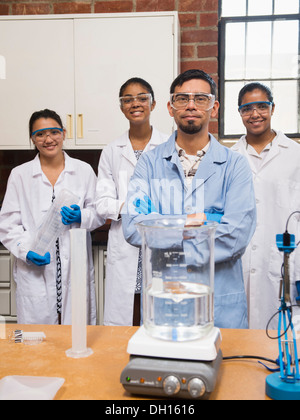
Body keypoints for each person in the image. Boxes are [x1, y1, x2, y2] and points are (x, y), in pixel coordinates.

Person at [122, 69, 257, 329]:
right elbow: (134, 227)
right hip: (164, 303)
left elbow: (237, 235)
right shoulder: (148, 164)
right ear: (171, 108)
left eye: (201, 98)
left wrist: (166, 229)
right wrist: (202, 222)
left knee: (221, 367)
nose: (191, 105)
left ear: (214, 107)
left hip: (220, 305)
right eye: (182, 98)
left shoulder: (235, 165)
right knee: (165, 368)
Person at [0, 109, 99, 325]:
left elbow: (98, 213)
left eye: (54, 132)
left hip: (74, 262)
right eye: (40, 134)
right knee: (35, 337)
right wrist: (27, 250)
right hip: (36, 267)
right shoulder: (20, 174)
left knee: (77, 331)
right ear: (32, 139)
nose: (48, 139)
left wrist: (81, 215)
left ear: (63, 133)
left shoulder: (83, 171)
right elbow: (8, 224)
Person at [96, 77, 168, 326]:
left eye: (141, 98)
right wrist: (129, 208)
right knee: (125, 314)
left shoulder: (169, 145)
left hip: (159, 240)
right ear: (121, 106)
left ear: (153, 103)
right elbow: (102, 202)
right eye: (128, 99)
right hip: (124, 244)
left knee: (157, 311)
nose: (135, 103)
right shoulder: (112, 150)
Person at [232, 83, 300, 330]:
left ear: (273, 108)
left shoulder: (295, 155)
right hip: (240, 260)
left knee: (281, 335)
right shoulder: (231, 156)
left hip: (284, 260)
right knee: (239, 335)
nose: (255, 114)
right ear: (239, 113)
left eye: (262, 106)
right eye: (247, 108)